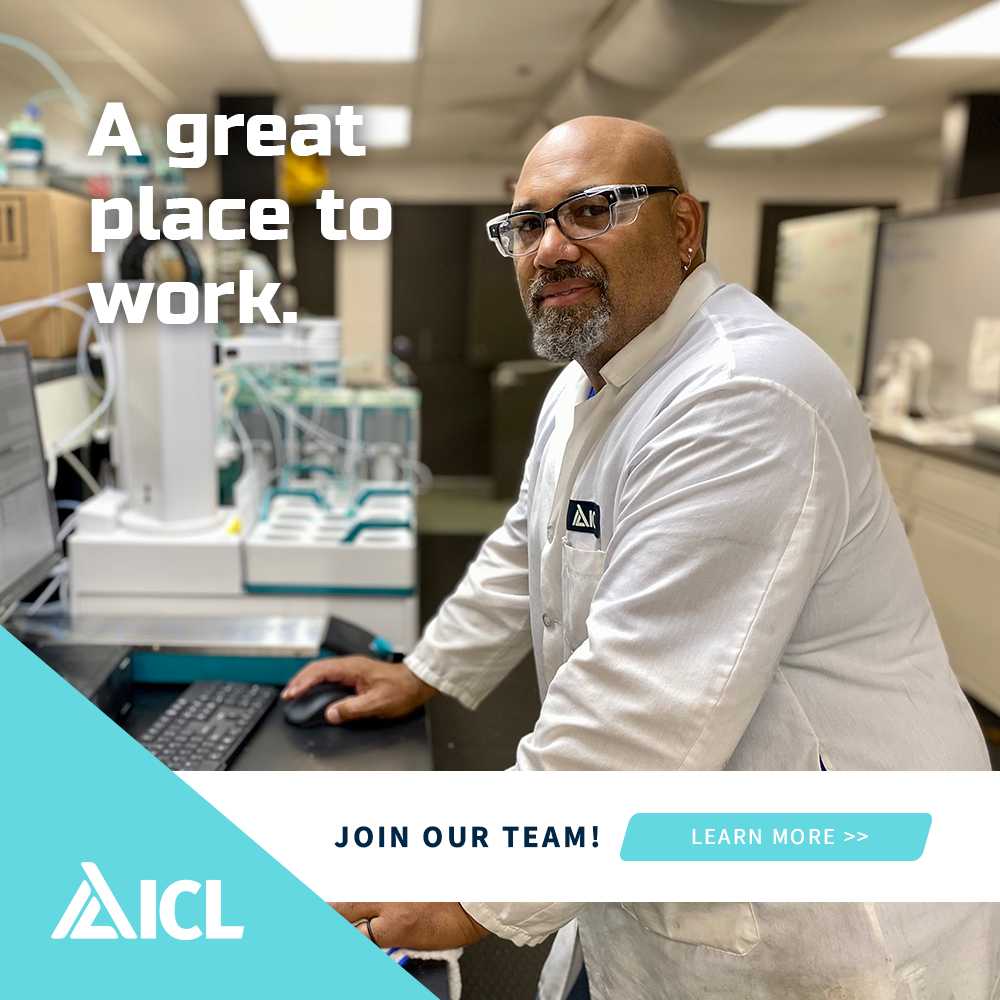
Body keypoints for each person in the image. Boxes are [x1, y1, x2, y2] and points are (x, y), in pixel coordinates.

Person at [286, 116, 995, 996]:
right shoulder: (593, 376)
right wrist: (425, 671)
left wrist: (473, 881)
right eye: (528, 223)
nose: (550, 247)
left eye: (592, 211)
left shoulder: (742, 394)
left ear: (685, 228)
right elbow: (534, 540)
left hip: (819, 906)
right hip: (656, 848)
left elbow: (644, 690)